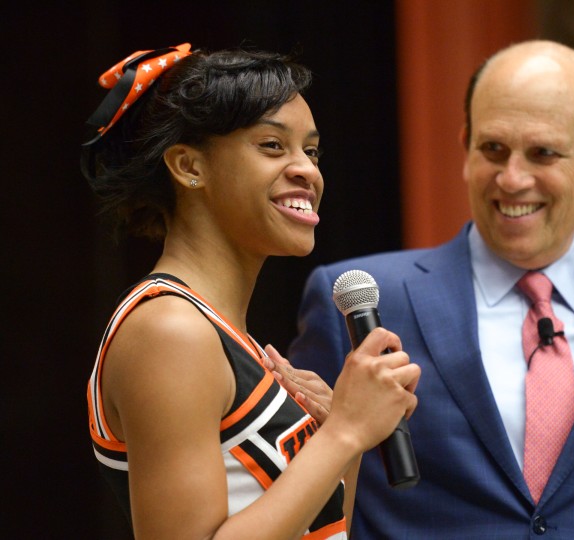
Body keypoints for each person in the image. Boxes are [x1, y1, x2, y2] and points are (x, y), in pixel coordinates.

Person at [287, 40, 574, 537]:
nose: (512, 179)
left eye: (543, 153)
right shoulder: (359, 304)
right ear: (466, 149)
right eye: (493, 149)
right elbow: (305, 505)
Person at [82, 42, 420, 540]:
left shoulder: (219, 332)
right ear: (189, 167)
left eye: (311, 150)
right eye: (272, 146)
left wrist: (341, 440)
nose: (307, 169)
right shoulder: (169, 330)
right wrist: (346, 430)